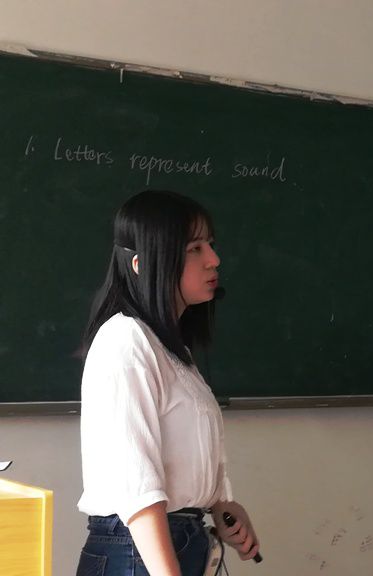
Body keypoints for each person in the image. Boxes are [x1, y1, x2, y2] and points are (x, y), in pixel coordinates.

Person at [75, 190, 259, 576]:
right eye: (194, 248)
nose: (213, 259)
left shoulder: (170, 347)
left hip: (174, 540)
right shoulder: (126, 340)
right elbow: (135, 484)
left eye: (210, 244)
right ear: (141, 263)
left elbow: (181, 451)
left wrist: (219, 503)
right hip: (136, 552)